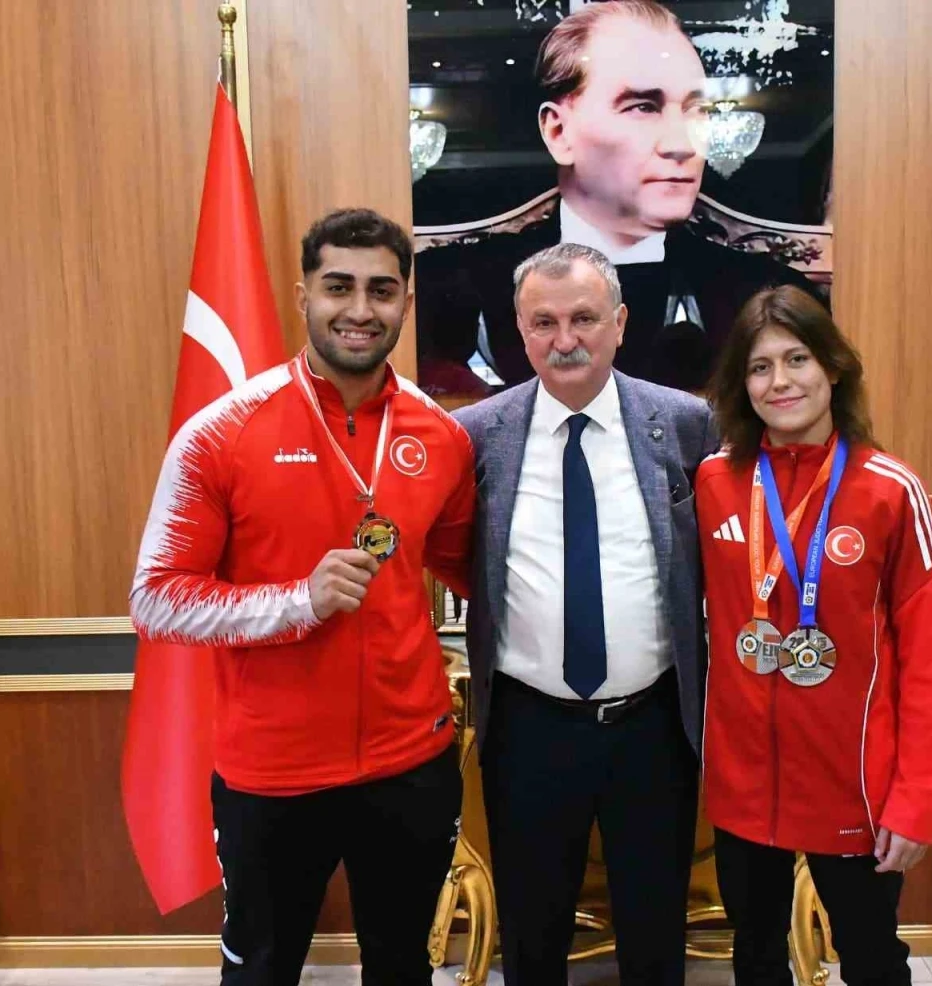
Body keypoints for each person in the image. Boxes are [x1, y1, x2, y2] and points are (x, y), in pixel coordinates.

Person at [129, 208, 476, 986]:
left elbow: (471, 574)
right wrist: (298, 602)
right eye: (338, 286)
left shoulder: (442, 436)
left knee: (403, 966)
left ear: (406, 302)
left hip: (412, 759)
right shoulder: (221, 431)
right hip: (273, 771)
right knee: (262, 969)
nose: (360, 309)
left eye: (381, 290)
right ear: (303, 295)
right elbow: (155, 598)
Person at [453, 242, 715, 986]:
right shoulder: (477, 433)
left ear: (620, 324)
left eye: (584, 319)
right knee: (532, 937)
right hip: (528, 727)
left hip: (653, 726)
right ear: (519, 330)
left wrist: (896, 531)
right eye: (543, 322)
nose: (564, 339)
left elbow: (758, 518)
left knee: (654, 934)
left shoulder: (686, 422)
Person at [694, 285, 932, 986]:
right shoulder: (714, 482)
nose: (779, 382)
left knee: (871, 959)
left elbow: (928, 661)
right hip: (744, 784)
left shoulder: (890, 490)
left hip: (854, 787)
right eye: (759, 367)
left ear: (833, 368)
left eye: (797, 359)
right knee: (755, 956)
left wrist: (917, 800)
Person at [416, 0, 817, 396]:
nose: (682, 144)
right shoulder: (455, 287)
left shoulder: (759, 293)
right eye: (642, 107)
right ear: (559, 132)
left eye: (696, 109)